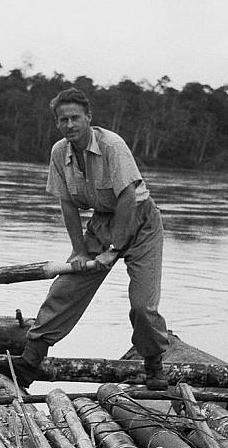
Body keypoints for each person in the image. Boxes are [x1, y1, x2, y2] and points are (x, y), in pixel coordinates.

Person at [13, 87, 170, 389]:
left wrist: (114, 249)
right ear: (57, 123)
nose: (69, 125)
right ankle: (29, 361)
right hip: (102, 221)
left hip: (141, 222)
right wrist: (79, 251)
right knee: (66, 288)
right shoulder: (60, 152)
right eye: (63, 120)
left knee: (142, 305)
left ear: (88, 118)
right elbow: (67, 204)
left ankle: (153, 364)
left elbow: (127, 198)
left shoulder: (113, 145)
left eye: (75, 118)